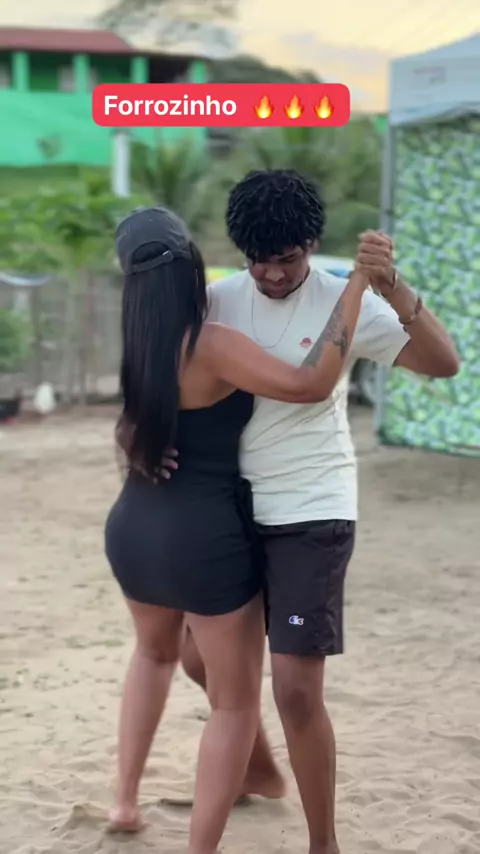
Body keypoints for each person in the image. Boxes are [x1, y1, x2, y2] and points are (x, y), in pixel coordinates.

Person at [173, 170, 460, 854]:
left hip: (312, 507)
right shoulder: (218, 302)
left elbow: (443, 363)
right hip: (232, 507)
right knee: (195, 658)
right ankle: (259, 768)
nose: (273, 274)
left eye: (288, 258)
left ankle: (322, 842)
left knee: (296, 691)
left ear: (310, 245)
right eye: (259, 260)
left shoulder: (343, 299)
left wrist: (391, 286)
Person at [104, 203, 372, 854]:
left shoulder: (138, 347)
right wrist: (356, 288)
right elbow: (311, 385)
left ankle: (125, 802)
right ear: (191, 265)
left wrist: (129, 445)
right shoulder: (210, 342)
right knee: (234, 705)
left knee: (153, 655)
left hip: (133, 527)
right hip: (201, 539)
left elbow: (130, 431)